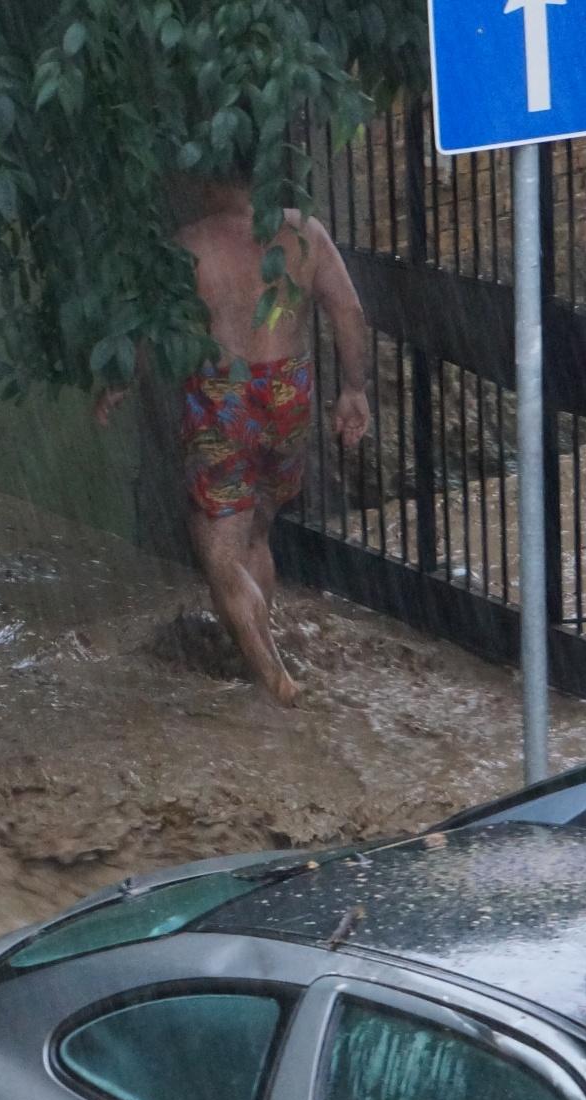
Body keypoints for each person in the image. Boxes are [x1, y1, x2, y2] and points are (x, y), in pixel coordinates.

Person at [98, 177, 373, 706]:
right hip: (289, 391)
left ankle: (272, 676)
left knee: (219, 552)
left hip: (225, 394)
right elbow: (347, 310)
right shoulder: (303, 232)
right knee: (255, 535)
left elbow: (151, 327)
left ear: (215, 179)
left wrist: (119, 382)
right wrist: (355, 390)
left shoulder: (189, 246)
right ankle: (255, 660)